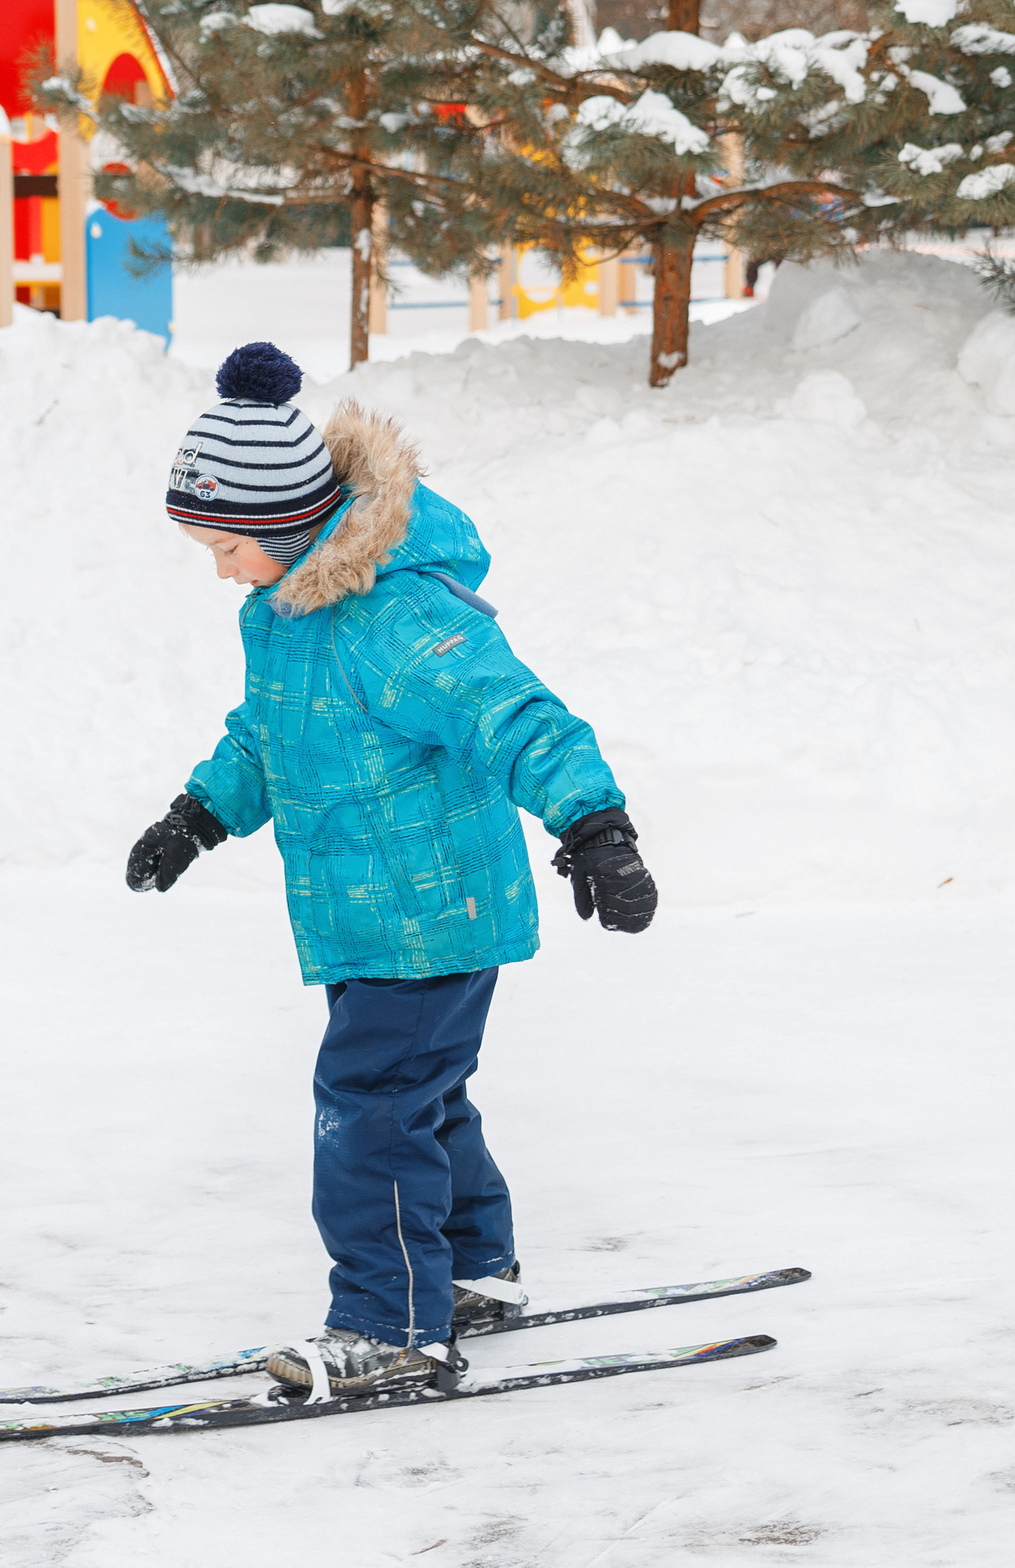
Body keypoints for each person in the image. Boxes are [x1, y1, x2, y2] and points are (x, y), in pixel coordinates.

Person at [128, 340, 658, 1397]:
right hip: (374, 919)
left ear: (283, 527)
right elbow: (266, 735)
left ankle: (391, 1322)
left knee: (370, 1108)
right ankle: (473, 1272)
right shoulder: (290, 616)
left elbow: (513, 715)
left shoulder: (393, 619)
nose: (219, 568)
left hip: (429, 913)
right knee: (418, 1096)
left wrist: (595, 824)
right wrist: (199, 814)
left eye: (225, 546)